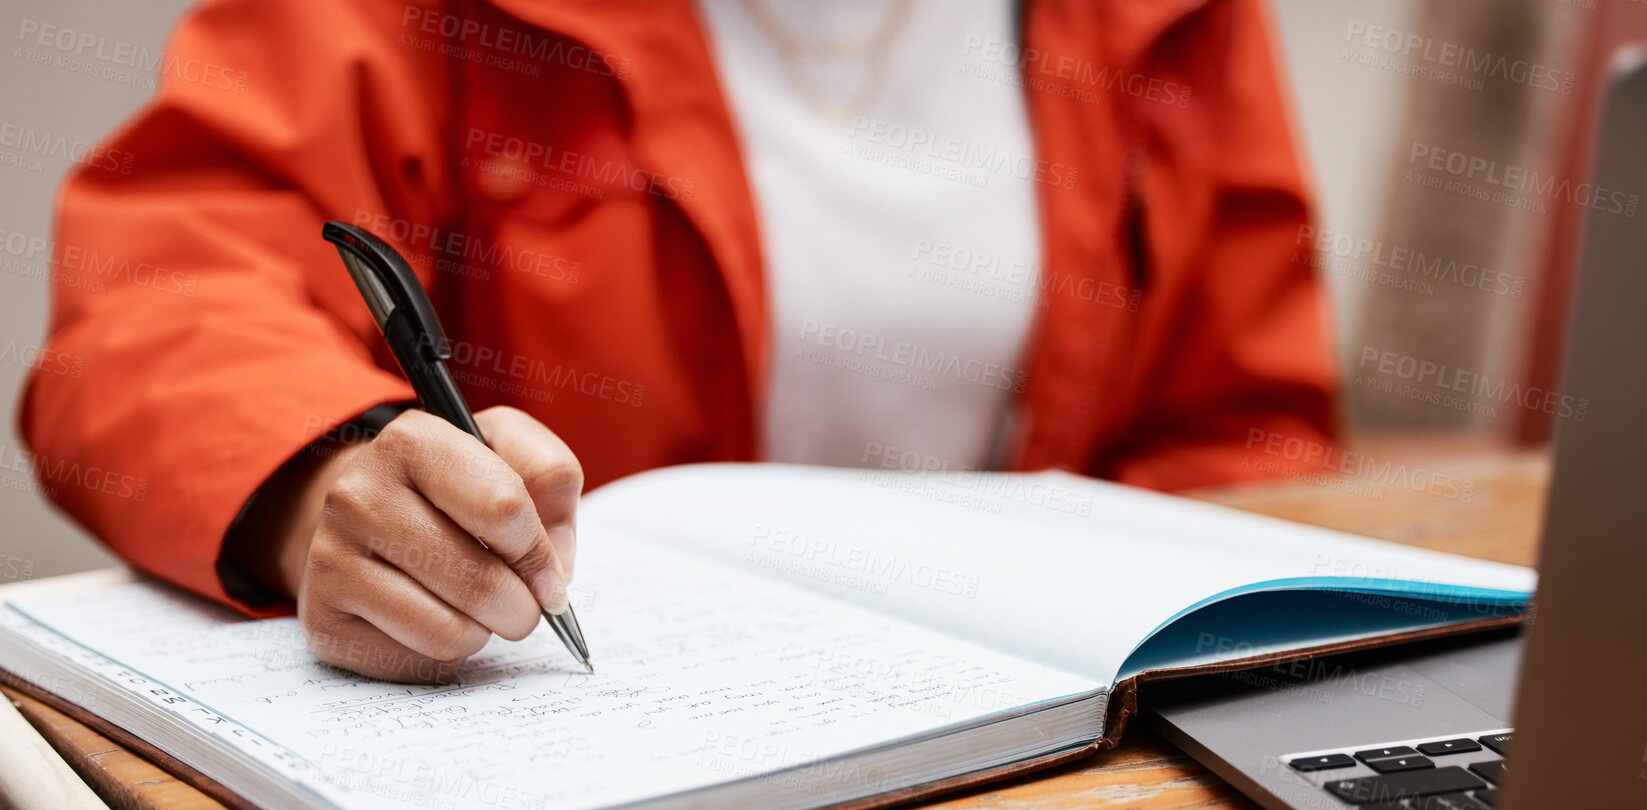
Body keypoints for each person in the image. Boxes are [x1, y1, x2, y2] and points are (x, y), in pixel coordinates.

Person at [21, 0, 1337, 683]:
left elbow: (1242, 429)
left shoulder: (1174, 17)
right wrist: (330, 479)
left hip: (1050, 773)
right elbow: (157, 299)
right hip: (569, 788)